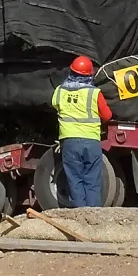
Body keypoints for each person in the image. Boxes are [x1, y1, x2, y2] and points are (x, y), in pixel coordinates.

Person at [51, 55, 112, 208]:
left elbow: (54, 105)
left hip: (69, 142)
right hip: (91, 141)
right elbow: (107, 116)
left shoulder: (59, 91)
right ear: (89, 75)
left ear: (71, 72)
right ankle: (94, 216)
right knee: (92, 180)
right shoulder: (94, 93)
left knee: (75, 180)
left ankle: (80, 217)